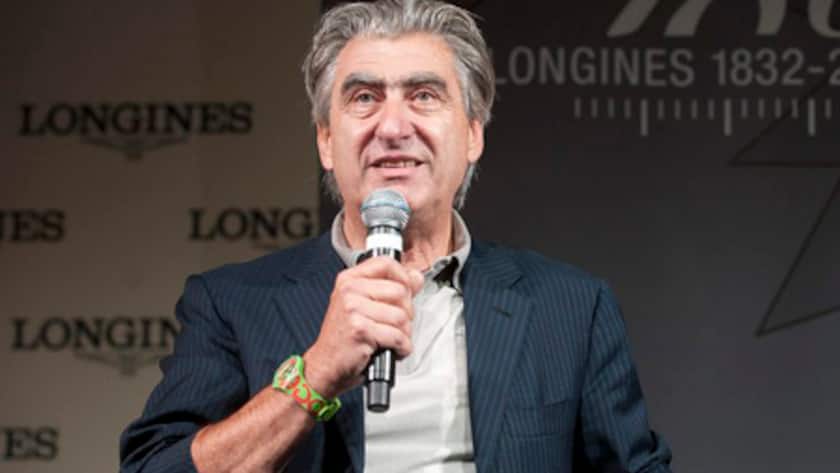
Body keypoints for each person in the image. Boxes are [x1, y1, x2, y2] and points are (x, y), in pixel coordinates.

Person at [120, 1, 673, 472]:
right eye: (364, 97)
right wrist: (315, 374)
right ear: (326, 141)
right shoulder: (232, 303)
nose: (392, 127)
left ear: (473, 134)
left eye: (424, 95)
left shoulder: (569, 307)